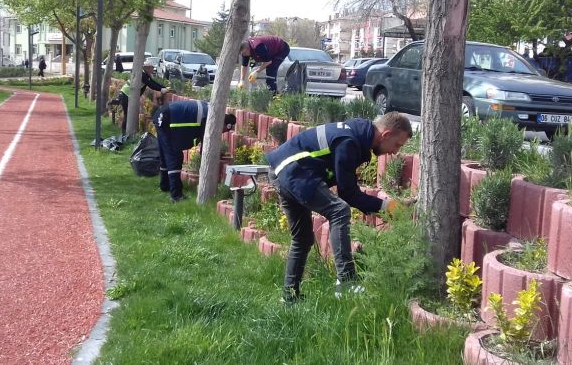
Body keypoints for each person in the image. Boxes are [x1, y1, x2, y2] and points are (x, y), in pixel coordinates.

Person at [265, 112, 414, 303]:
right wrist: (388, 206)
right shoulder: (350, 141)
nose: (395, 152)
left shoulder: (357, 133)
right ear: (385, 134)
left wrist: (388, 205)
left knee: (302, 238)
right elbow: (348, 193)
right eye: (397, 145)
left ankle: (289, 297)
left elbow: (348, 189)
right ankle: (346, 281)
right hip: (293, 171)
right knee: (339, 210)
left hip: (282, 170)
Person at [154, 100, 236, 202]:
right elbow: (206, 146)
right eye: (223, 130)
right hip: (167, 118)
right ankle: (176, 195)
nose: (221, 133)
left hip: (161, 114)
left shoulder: (211, 110)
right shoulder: (211, 119)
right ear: (224, 124)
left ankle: (165, 185)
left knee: (165, 152)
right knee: (174, 156)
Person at [117, 63, 169, 135]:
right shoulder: (142, 75)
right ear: (147, 68)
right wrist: (161, 89)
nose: (153, 70)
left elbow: (153, 82)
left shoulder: (145, 74)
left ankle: (127, 134)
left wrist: (163, 88)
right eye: (152, 68)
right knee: (128, 114)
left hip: (127, 94)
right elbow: (150, 84)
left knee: (129, 114)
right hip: (126, 94)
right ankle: (124, 134)